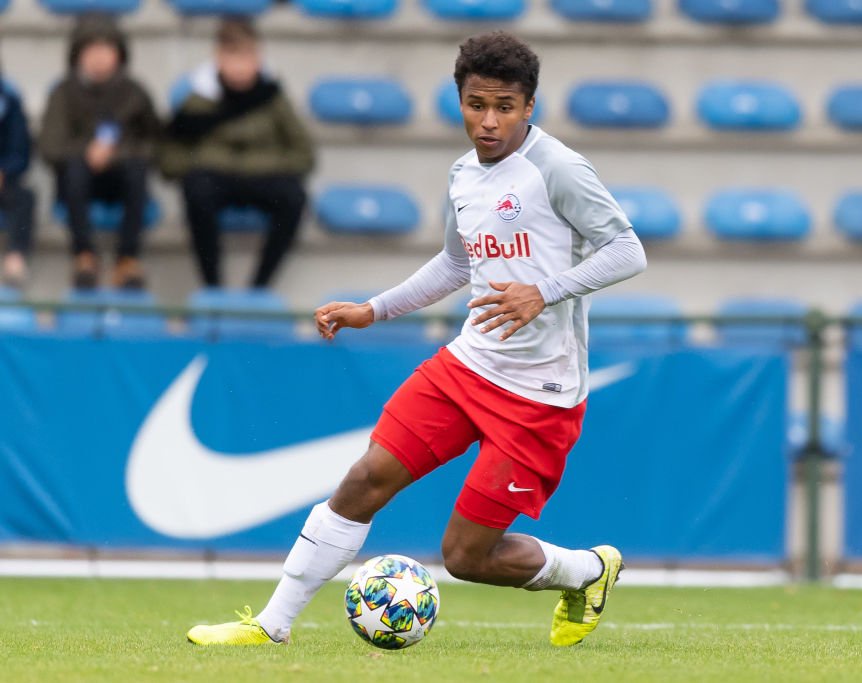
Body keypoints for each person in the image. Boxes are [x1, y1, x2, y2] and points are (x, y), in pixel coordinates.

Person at [186, 31, 647, 648]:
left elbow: (628, 250)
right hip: (467, 366)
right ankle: (272, 626)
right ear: (459, 99)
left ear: (529, 106)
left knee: (465, 556)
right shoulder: (462, 175)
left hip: (540, 393)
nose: (489, 122)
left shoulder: (556, 168)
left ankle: (589, 569)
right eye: (477, 104)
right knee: (363, 480)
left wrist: (547, 290)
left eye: (505, 107)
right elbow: (456, 265)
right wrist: (371, 310)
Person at [161, 18, 313, 289]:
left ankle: (260, 286)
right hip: (214, 180)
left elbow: (304, 154)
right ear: (218, 58)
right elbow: (169, 158)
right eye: (234, 57)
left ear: (259, 58)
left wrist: (260, 165)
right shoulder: (198, 100)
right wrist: (203, 165)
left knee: (294, 197)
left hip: (264, 179)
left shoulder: (273, 99)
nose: (242, 67)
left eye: (248, 57)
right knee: (196, 190)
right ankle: (212, 285)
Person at [38, 13, 160, 290]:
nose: (98, 57)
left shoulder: (135, 93)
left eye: (106, 49)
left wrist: (114, 153)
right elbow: (49, 146)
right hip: (78, 181)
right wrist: (87, 152)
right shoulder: (63, 93)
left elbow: (156, 144)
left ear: (119, 53)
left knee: (136, 171)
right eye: (90, 49)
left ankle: (127, 259)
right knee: (74, 171)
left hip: (122, 179)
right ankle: (84, 256)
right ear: (77, 55)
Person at [0, 64, 34, 288]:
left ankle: (15, 258)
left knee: (25, 197)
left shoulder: (10, 100)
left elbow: (21, 150)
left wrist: (5, 171)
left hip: (4, 182)